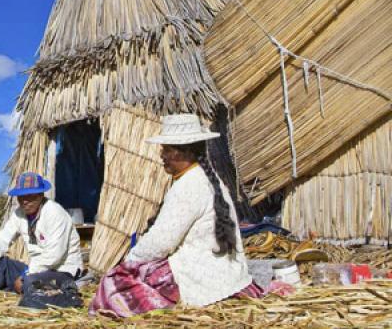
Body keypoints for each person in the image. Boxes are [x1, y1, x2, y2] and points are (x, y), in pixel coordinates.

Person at [90, 114, 288, 318]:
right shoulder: (208, 178)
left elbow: (161, 242)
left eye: (167, 149)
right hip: (228, 275)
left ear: (184, 152)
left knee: (113, 282)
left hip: (199, 279)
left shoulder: (188, 186)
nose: (162, 155)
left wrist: (129, 261)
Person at [0, 172, 83, 295]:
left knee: (30, 283)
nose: (25, 201)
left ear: (40, 195)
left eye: (30, 196)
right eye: (21, 196)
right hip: (35, 269)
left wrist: (25, 275)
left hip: (62, 270)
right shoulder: (19, 214)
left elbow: (54, 256)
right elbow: (2, 240)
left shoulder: (55, 213)